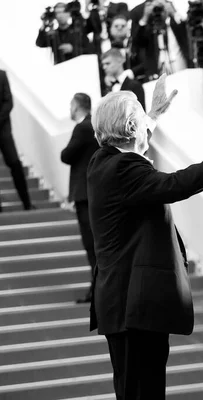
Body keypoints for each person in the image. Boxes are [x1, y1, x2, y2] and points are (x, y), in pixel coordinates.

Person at [87, 73, 203, 400]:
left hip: (126, 304)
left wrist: (154, 115)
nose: (147, 126)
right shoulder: (124, 169)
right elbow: (177, 185)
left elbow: (136, 141)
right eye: (141, 118)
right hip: (133, 305)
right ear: (132, 128)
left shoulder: (102, 161)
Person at [60, 93, 99, 304]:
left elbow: (66, 155)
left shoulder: (82, 127)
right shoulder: (95, 126)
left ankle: (97, 290)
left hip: (85, 195)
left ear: (76, 107)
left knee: (90, 243)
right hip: (92, 193)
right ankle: (97, 289)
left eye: (70, 104)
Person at [0, 70, 33, 211]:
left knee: (15, 164)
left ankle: (27, 203)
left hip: (3, 129)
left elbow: (9, 102)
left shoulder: (1, 75)